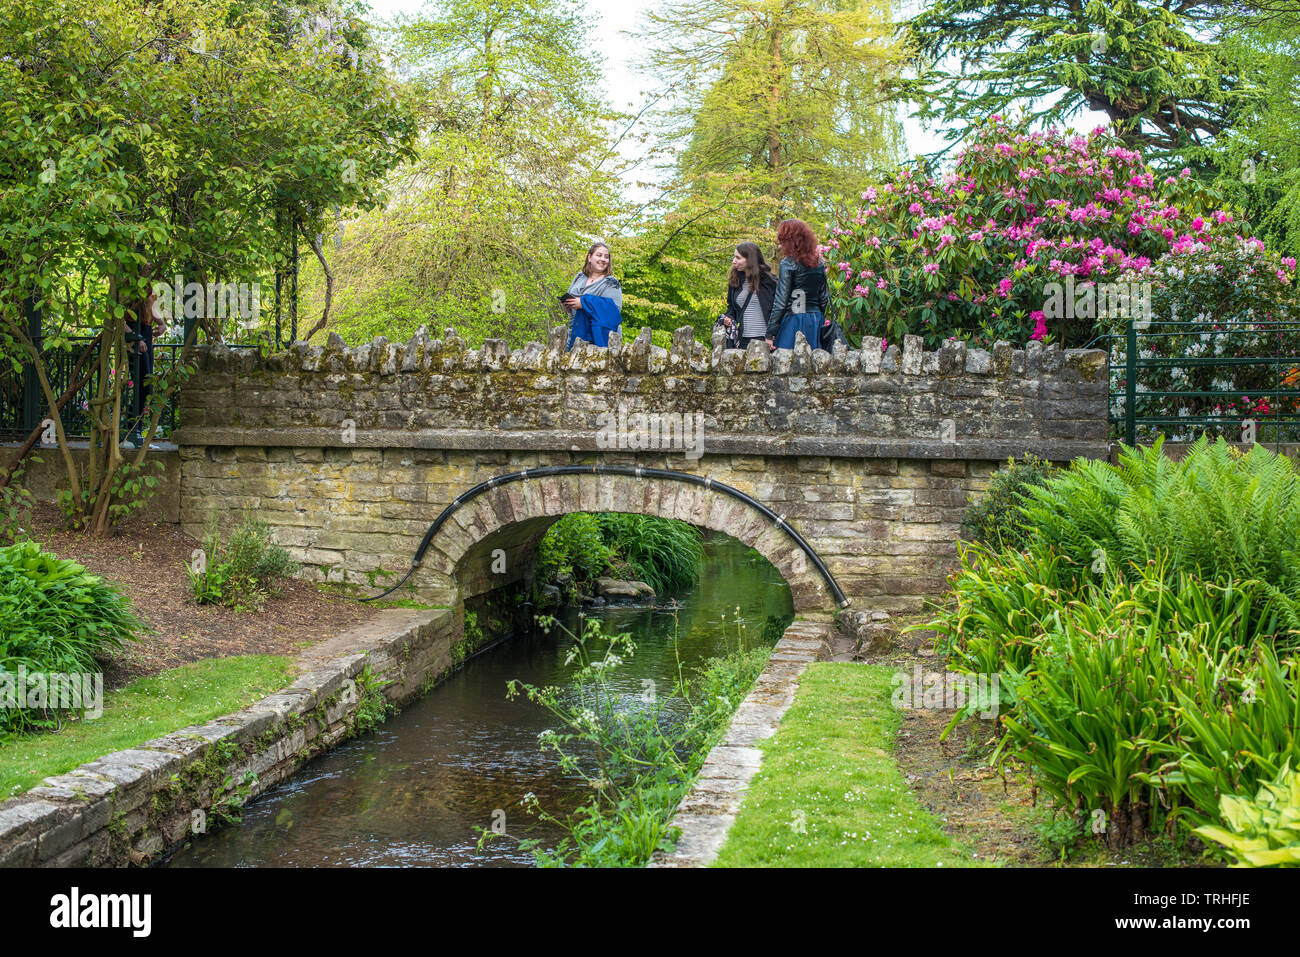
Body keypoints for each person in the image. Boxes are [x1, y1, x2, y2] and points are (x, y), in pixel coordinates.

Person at [767, 219, 830, 351]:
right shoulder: (819, 264)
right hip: (815, 319)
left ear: (790, 241)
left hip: (795, 320)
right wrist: (818, 318)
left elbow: (781, 301)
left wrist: (770, 333)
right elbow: (824, 298)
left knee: (786, 363)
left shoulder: (788, 263)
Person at [714, 242, 776, 350]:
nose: (734, 261)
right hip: (742, 340)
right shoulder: (735, 280)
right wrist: (728, 318)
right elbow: (732, 307)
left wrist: (772, 334)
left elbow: (779, 309)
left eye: (738, 258)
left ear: (750, 259)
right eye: (734, 257)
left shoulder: (769, 280)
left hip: (765, 340)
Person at [563, 242, 623, 350]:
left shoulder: (611, 283)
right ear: (589, 257)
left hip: (597, 340)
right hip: (574, 333)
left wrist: (584, 303)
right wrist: (569, 306)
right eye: (599, 255)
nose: (603, 259)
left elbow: (615, 310)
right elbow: (572, 306)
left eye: (606, 257)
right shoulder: (579, 277)